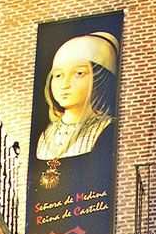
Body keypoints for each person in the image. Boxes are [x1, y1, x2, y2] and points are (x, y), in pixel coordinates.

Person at [35, 32, 119, 162]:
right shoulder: (45, 135)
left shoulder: (108, 129)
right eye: (58, 75)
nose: (65, 84)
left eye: (79, 73)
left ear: (99, 79)